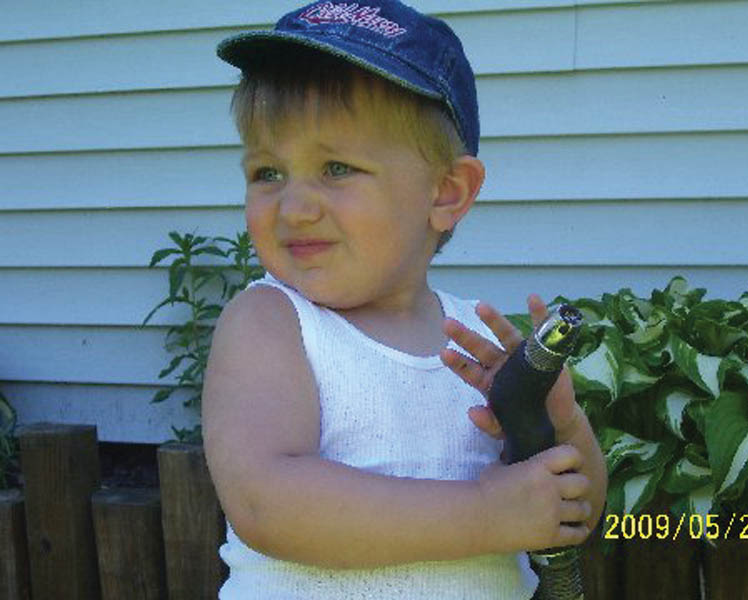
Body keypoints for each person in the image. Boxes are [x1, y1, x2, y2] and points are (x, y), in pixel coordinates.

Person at [202, 1, 607, 598]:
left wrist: (558, 424)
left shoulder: (473, 338)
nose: (293, 207)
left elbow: (573, 511)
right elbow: (268, 503)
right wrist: (483, 513)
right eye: (267, 173)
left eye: (336, 167)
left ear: (446, 193)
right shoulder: (271, 323)